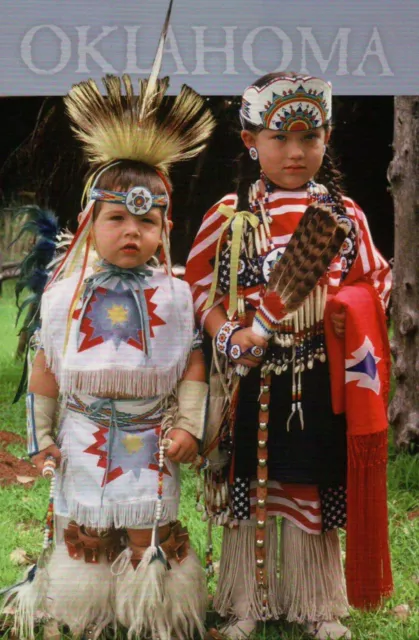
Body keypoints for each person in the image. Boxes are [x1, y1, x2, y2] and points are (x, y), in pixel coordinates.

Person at [4, 69, 215, 640]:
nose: (131, 232)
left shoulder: (176, 295)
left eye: (145, 221)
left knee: (153, 531)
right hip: (83, 436)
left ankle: (155, 616)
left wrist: (191, 427)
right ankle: (87, 613)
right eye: (116, 218)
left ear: (165, 227)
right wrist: (42, 437)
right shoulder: (61, 297)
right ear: (87, 224)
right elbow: (44, 366)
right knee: (88, 532)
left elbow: (194, 360)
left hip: (152, 439)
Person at [184, 72, 393, 640]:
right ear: (251, 141)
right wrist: (230, 336)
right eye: (280, 138)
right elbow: (198, 289)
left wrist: (343, 306)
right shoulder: (230, 215)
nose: (297, 152)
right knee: (248, 484)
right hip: (251, 375)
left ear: (326, 138)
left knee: (311, 481)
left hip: (319, 372)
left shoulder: (344, 214)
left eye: (311, 137)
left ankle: (318, 601)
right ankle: (245, 599)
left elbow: (375, 282)